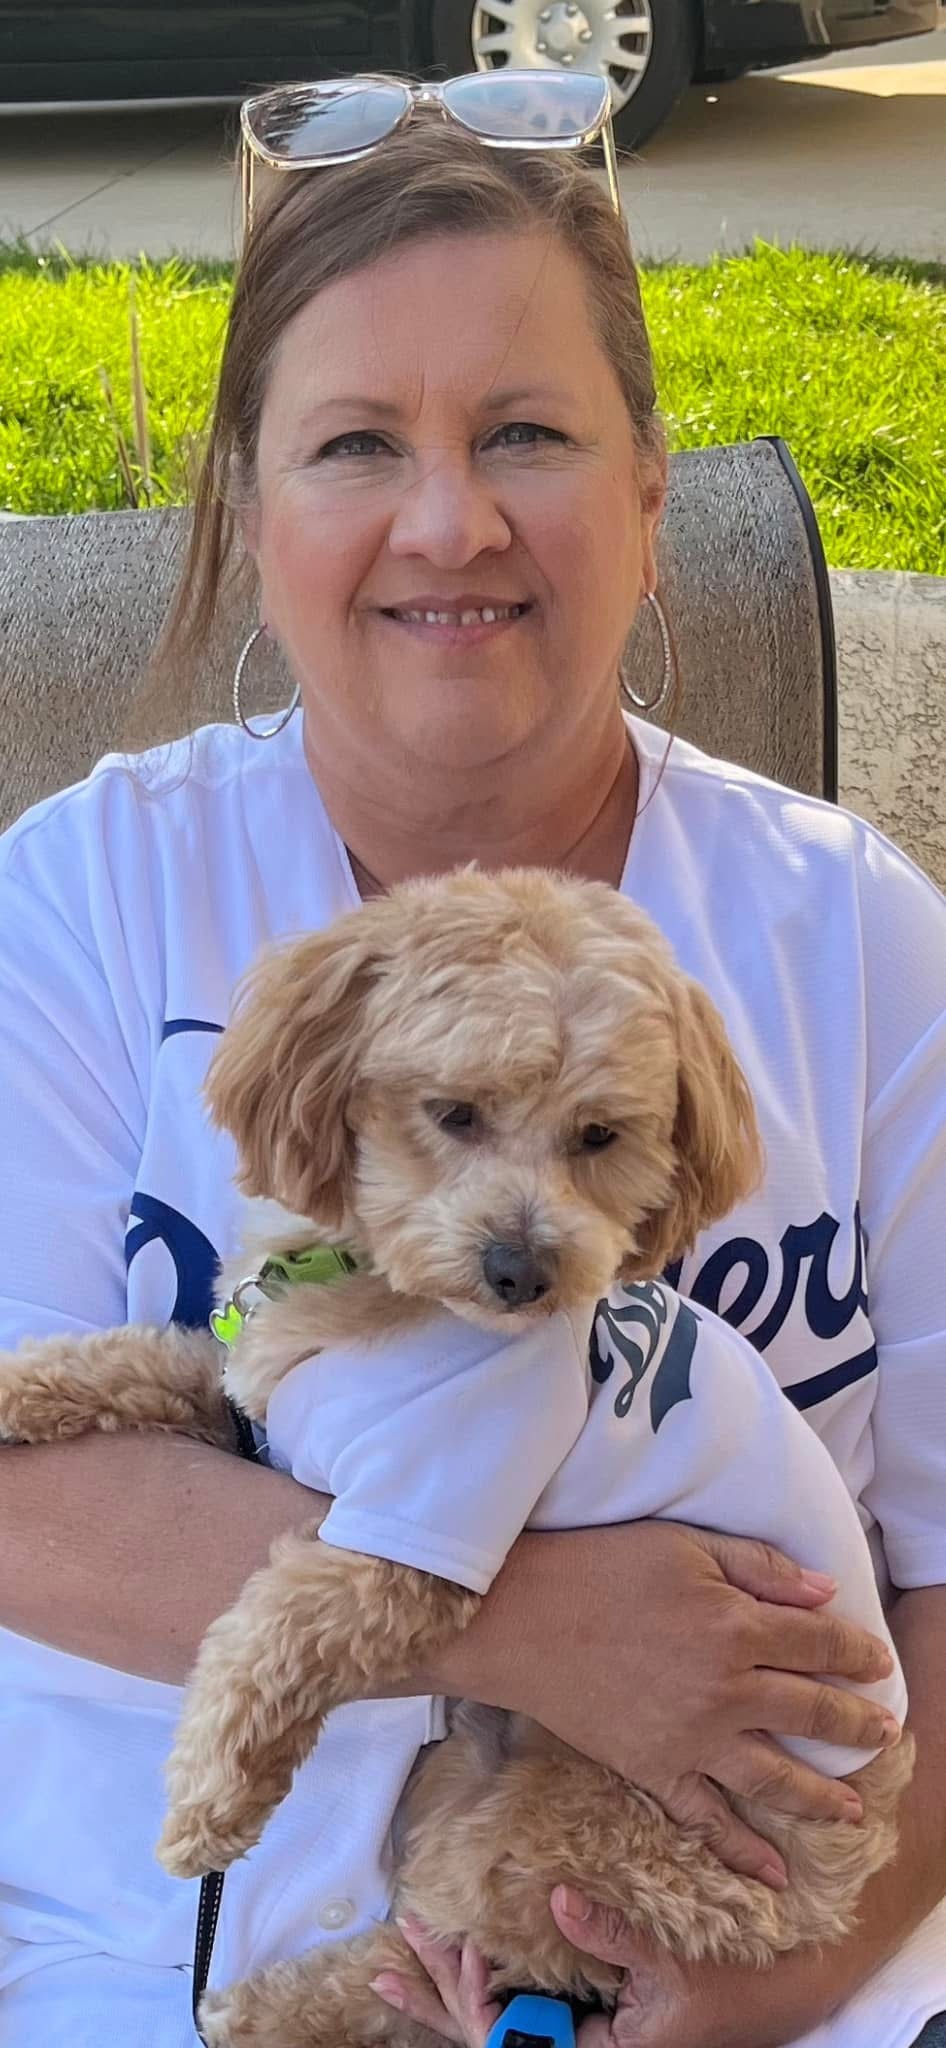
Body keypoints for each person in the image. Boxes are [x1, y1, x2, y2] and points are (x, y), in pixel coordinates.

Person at [0, 83, 944, 2048]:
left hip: (769, 1953)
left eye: (525, 432)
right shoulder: (80, 898)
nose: (449, 521)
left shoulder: (857, 938)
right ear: (252, 510)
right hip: (146, 1954)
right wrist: (547, 1630)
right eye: (358, 444)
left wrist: (761, 1989)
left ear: (650, 489)